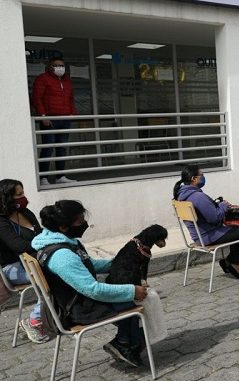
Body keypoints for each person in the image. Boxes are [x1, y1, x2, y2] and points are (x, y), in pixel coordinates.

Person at [31, 200, 150, 367]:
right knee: (134, 301)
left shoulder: (66, 241)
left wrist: (123, 260)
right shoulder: (62, 256)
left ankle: (126, 343)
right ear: (64, 227)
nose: (85, 224)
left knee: (129, 297)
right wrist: (132, 290)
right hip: (76, 310)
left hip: (78, 299)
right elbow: (92, 289)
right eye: (80, 221)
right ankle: (124, 344)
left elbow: (90, 264)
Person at [173, 165, 239, 279]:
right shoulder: (198, 196)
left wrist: (217, 206)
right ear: (194, 179)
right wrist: (224, 206)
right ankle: (230, 261)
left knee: (236, 231)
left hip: (198, 236)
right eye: (202, 175)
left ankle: (232, 263)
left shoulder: (181, 195)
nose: (204, 177)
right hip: (209, 236)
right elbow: (214, 218)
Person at [0, 179, 47, 343]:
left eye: (23, 193)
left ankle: (49, 315)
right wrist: (41, 243)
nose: (23, 197)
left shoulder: (26, 213)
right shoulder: (1, 221)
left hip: (35, 261)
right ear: (7, 198)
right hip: (11, 268)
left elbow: (42, 235)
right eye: (19, 195)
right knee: (49, 277)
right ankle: (34, 321)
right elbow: (18, 246)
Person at [32, 57, 77, 185]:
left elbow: (71, 99)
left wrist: (72, 113)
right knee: (47, 148)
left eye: (62, 65)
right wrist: (43, 115)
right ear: (50, 67)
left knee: (61, 148)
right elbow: (36, 98)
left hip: (65, 119)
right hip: (50, 119)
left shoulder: (67, 81)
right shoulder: (42, 78)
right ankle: (43, 177)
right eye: (56, 65)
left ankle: (60, 177)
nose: (60, 68)